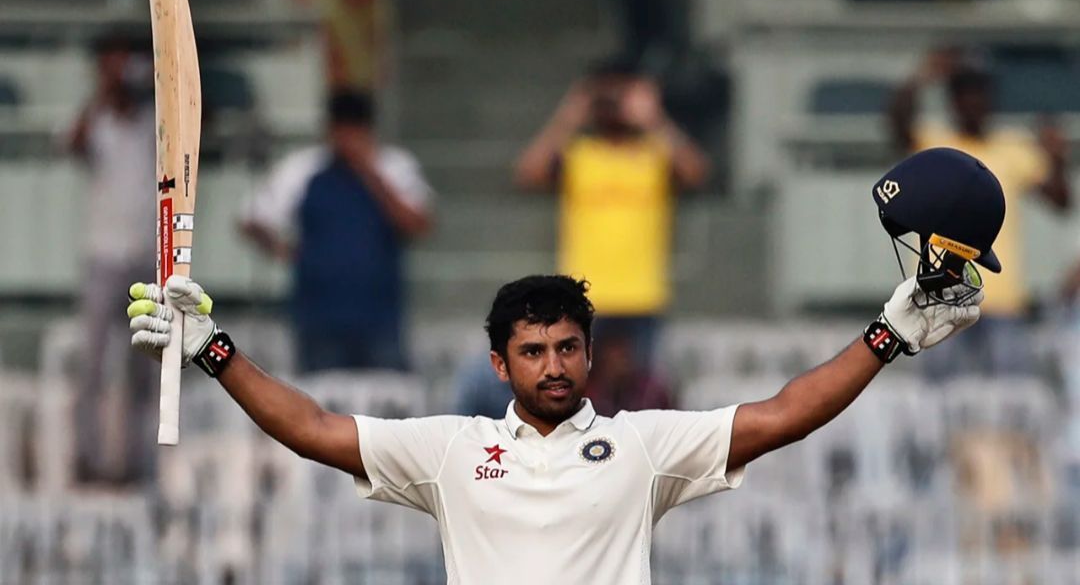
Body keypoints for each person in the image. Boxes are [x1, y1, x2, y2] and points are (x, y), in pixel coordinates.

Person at [128, 150, 997, 585]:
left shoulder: (642, 445)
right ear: (498, 365)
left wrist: (884, 339)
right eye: (533, 352)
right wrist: (213, 349)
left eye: (567, 348)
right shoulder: (450, 451)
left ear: (590, 352)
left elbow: (781, 414)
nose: (554, 367)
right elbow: (313, 430)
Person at [515, 58, 709, 377]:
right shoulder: (578, 154)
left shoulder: (656, 153)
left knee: (644, 399)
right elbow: (527, 174)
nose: (614, 104)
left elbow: (697, 173)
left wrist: (655, 119)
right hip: (583, 297)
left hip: (643, 296)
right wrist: (569, 116)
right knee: (576, 392)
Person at [886, 48, 1069, 379]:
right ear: (952, 102)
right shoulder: (936, 144)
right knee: (938, 412)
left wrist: (1057, 159)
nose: (972, 102)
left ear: (990, 99)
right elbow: (897, 127)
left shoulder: (1013, 146)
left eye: (978, 94)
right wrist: (919, 79)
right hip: (939, 298)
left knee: (1009, 408)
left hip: (1002, 302)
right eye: (963, 95)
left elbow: (1061, 202)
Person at [239, 89, 432, 372]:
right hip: (319, 317)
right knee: (319, 407)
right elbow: (252, 218)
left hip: (380, 316)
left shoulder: (394, 166)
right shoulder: (303, 169)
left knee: (387, 404)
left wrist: (369, 171)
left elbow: (418, 223)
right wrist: (282, 250)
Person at [64, 33, 156, 485]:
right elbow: (75, 145)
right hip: (103, 255)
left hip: (145, 256)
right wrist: (104, 89)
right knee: (93, 366)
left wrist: (150, 83)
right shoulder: (96, 118)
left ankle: (135, 464)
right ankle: (86, 459)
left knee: (144, 368)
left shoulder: (152, 119)